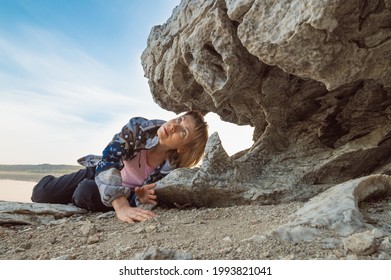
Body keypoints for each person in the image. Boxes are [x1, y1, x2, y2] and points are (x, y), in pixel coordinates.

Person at [31, 110, 208, 223]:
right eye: (179, 119)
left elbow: (152, 199)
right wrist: (121, 206)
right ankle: (60, 185)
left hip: (120, 190)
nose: (173, 126)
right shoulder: (139, 127)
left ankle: (77, 197)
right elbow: (109, 158)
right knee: (41, 193)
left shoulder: (172, 172)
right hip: (99, 172)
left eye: (182, 131)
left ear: (182, 148)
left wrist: (138, 197)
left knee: (83, 192)